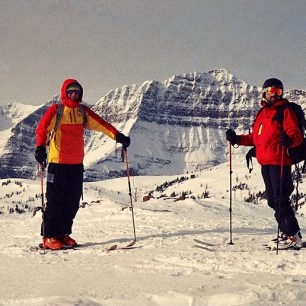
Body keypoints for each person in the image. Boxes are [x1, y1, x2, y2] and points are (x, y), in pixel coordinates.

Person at [35, 79, 130, 250]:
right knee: (55, 202)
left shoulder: (82, 112)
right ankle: (49, 236)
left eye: (77, 92)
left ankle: (62, 234)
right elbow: (42, 129)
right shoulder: (56, 110)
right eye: (70, 91)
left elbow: (102, 125)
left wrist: (118, 136)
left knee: (72, 202)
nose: (74, 94)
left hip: (76, 165)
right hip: (58, 163)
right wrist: (40, 147)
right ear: (64, 93)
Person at [226, 78, 303, 250]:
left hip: (280, 161)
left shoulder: (285, 111)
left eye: (278, 91)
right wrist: (237, 139)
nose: (274, 94)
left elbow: (296, 135)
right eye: (271, 91)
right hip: (266, 162)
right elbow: (255, 138)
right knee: (273, 201)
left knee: (281, 198)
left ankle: (293, 236)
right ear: (264, 93)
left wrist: (289, 140)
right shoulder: (262, 113)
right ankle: (288, 233)